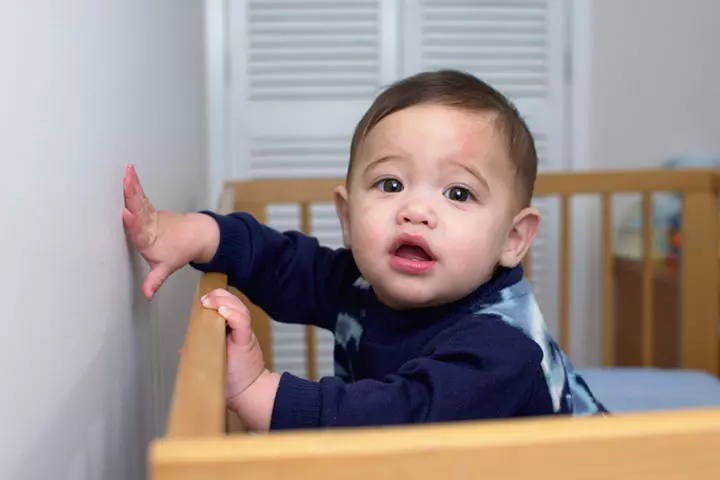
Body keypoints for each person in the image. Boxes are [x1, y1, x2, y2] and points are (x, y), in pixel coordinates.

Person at [123, 69, 607, 432]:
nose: (416, 210)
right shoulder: (360, 282)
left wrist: (257, 391)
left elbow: (399, 418)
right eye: (390, 183)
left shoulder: (500, 348)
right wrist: (202, 235)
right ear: (348, 216)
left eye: (458, 193)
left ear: (513, 240)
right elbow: (289, 266)